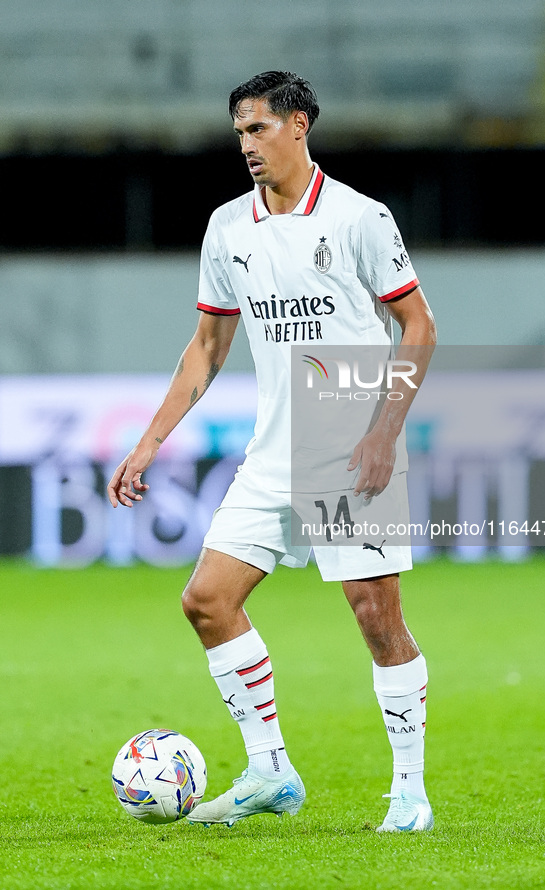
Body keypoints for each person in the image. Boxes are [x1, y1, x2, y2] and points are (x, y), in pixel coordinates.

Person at [107, 71, 437, 832]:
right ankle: (270, 770)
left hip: (352, 441)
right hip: (273, 451)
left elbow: (417, 325)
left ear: (298, 126)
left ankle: (410, 792)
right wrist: (149, 441)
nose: (247, 146)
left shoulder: (359, 218)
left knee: (375, 615)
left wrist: (384, 432)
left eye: (258, 129)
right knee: (207, 601)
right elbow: (207, 345)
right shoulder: (228, 228)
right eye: (238, 134)